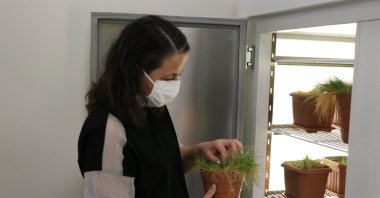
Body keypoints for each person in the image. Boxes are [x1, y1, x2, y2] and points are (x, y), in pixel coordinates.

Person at [77, 15, 243, 198]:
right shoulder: (106, 132)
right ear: (134, 70)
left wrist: (199, 153)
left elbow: (160, 166)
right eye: (169, 77)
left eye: (179, 74)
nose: (175, 83)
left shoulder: (151, 105)